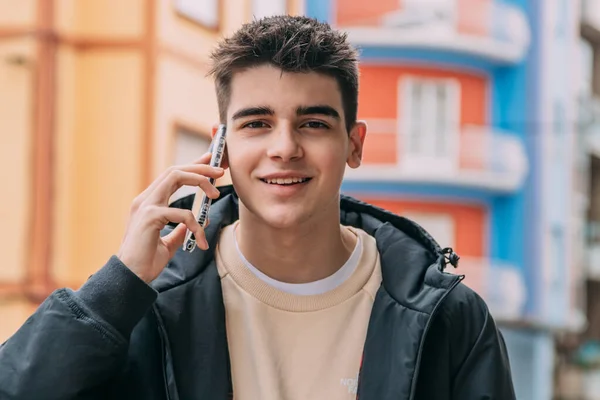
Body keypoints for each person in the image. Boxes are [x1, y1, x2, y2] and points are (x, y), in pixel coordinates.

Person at [0, 15, 516, 400]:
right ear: (220, 146)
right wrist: (115, 287)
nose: (284, 147)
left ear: (354, 144)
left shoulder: (449, 316)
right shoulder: (148, 308)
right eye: (256, 123)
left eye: (313, 123)